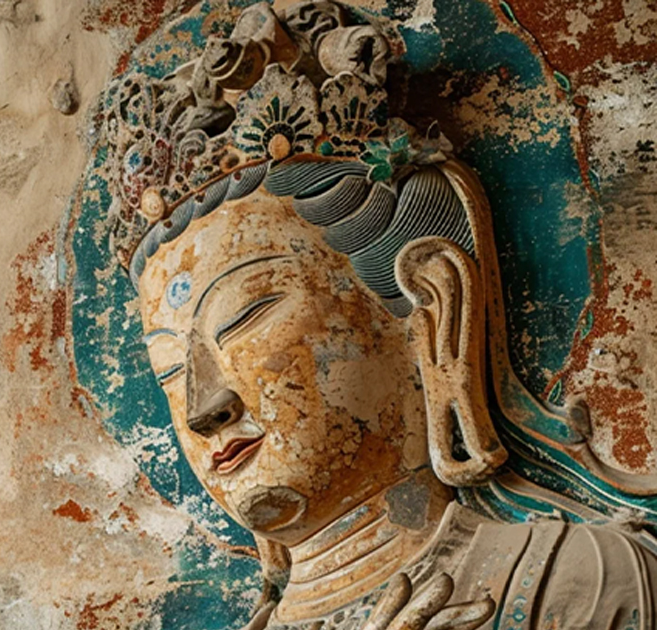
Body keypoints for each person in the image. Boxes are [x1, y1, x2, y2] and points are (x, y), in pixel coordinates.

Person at [96, 2, 657, 628]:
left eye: (247, 318)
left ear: (434, 308)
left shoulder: (576, 579)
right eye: (169, 371)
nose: (204, 407)